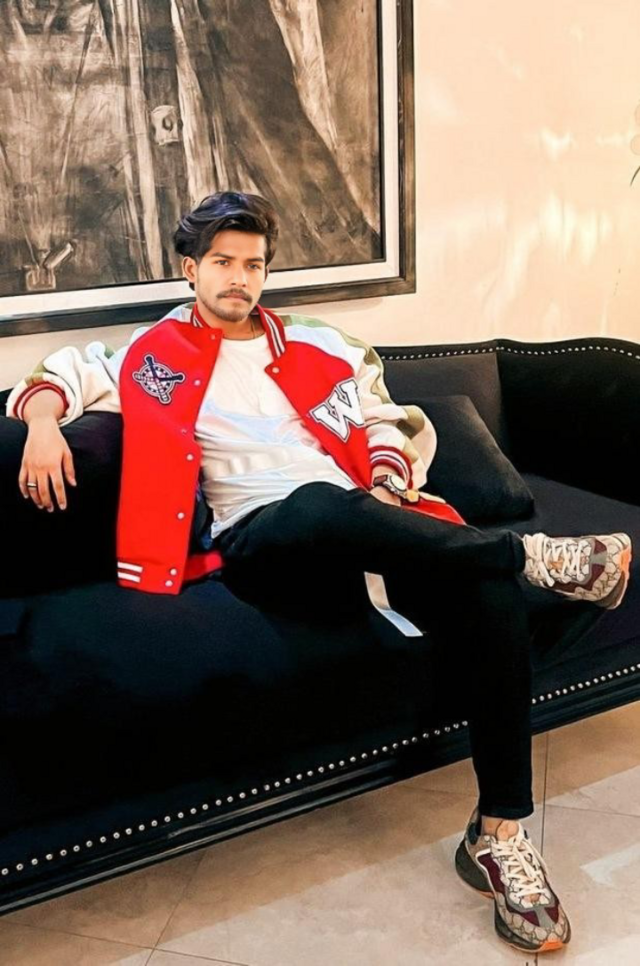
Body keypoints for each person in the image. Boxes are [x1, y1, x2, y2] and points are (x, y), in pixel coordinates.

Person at [7, 190, 632, 955]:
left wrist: (387, 481)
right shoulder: (150, 355)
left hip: (362, 524)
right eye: (223, 262)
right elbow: (60, 374)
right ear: (190, 268)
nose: (239, 278)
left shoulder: (317, 345)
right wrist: (43, 424)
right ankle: (533, 557)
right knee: (314, 504)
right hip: (263, 542)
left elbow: (381, 419)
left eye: (253, 264)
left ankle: (498, 833)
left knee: (482, 590)